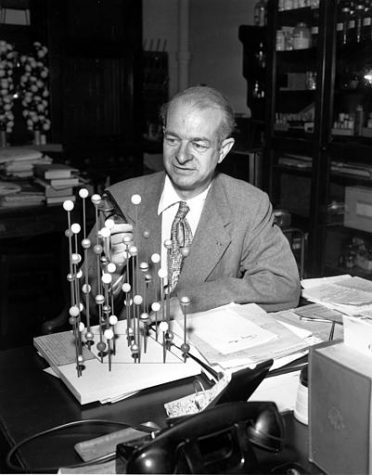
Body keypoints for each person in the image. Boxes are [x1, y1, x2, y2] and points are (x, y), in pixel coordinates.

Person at [86, 86, 300, 319]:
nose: (181, 156)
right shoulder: (121, 201)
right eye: (173, 139)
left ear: (223, 150)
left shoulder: (249, 205)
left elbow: (282, 287)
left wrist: (189, 303)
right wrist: (113, 270)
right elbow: (85, 306)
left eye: (198, 144)